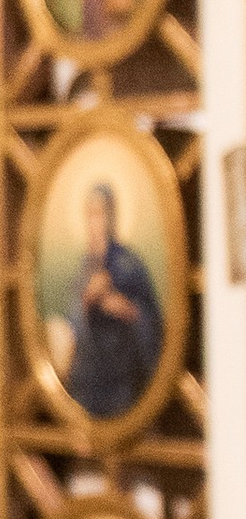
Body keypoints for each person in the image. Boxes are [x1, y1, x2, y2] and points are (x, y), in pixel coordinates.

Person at [64, 175, 166, 422]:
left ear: (111, 217)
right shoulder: (84, 267)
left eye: (100, 213)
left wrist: (128, 309)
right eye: (90, 214)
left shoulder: (130, 264)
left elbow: (153, 320)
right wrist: (88, 299)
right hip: (90, 377)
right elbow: (73, 323)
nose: (94, 222)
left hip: (124, 375)